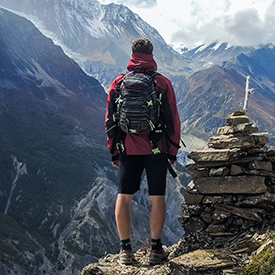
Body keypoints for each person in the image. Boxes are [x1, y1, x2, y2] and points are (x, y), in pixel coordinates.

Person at [105, 38, 181, 265]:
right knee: (157, 197)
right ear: (152, 54)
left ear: (132, 54)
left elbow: (110, 120)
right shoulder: (163, 83)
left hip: (127, 148)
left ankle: (125, 250)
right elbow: (173, 120)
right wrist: (173, 151)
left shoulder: (119, 83)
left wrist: (113, 151)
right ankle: (156, 249)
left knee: (124, 197)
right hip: (156, 148)